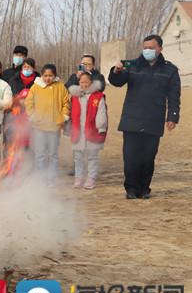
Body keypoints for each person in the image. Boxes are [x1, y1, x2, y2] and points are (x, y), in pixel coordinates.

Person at [108, 34, 180, 199]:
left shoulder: (170, 69)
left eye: (151, 48)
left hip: (153, 119)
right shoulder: (132, 65)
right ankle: (131, 189)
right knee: (131, 157)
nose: (147, 50)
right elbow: (117, 82)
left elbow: (174, 96)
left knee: (148, 157)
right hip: (132, 119)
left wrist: (172, 117)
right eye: (145, 47)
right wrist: (116, 71)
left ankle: (144, 189)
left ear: (160, 49)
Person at [24, 63, 70, 187]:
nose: (48, 78)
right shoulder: (36, 87)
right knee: (40, 154)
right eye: (45, 75)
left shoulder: (60, 86)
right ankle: (41, 178)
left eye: (50, 75)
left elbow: (66, 102)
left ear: (55, 76)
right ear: (42, 75)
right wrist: (33, 116)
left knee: (53, 154)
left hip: (54, 127)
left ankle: (52, 179)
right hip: (39, 127)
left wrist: (64, 116)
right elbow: (29, 103)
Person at [68, 72, 108, 190]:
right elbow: (70, 113)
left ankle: (91, 178)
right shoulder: (74, 96)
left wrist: (101, 126)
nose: (84, 84)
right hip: (78, 131)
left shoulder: (98, 96)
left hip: (92, 131)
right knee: (78, 157)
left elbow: (101, 113)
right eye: (81, 82)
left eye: (86, 82)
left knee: (92, 156)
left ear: (91, 82)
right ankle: (79, 177)